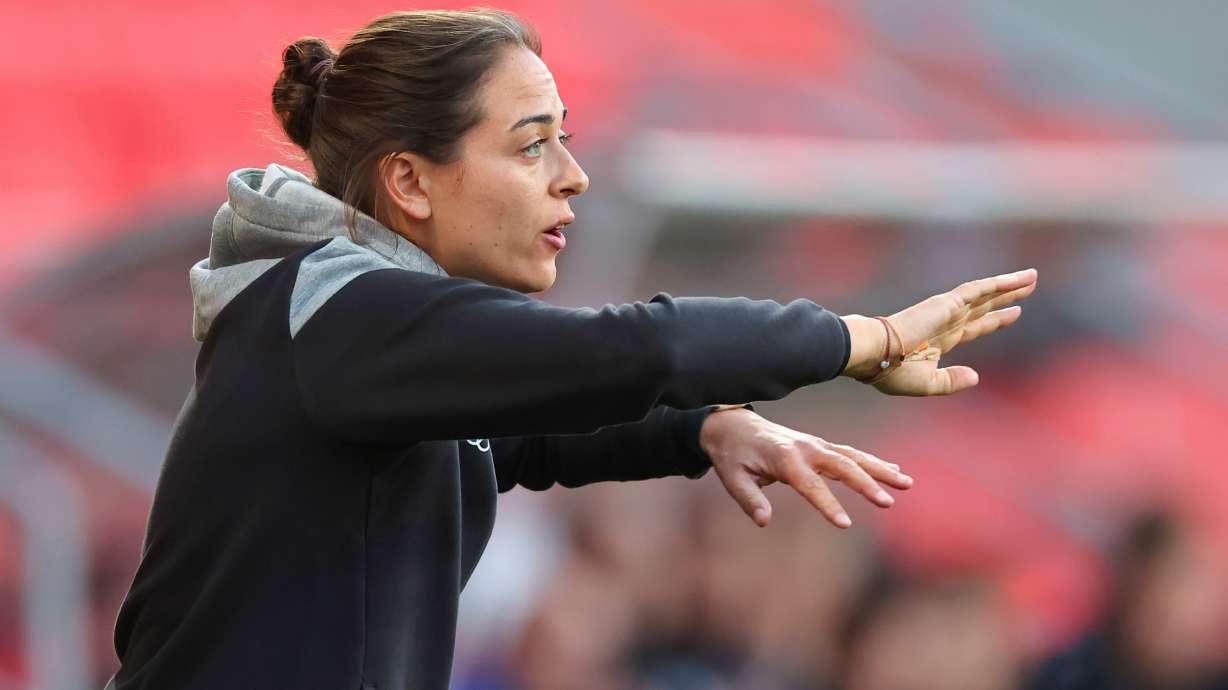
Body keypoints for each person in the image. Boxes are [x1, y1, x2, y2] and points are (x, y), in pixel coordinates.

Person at [104, 8, 1038, 690]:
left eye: (567, 142)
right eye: (531, 147)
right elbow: (642, 348)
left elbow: (513, 439)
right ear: (410, 182)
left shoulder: (364, 327)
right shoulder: (344, 310)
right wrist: (858, 339)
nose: (574, 176)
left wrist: (700, 431)